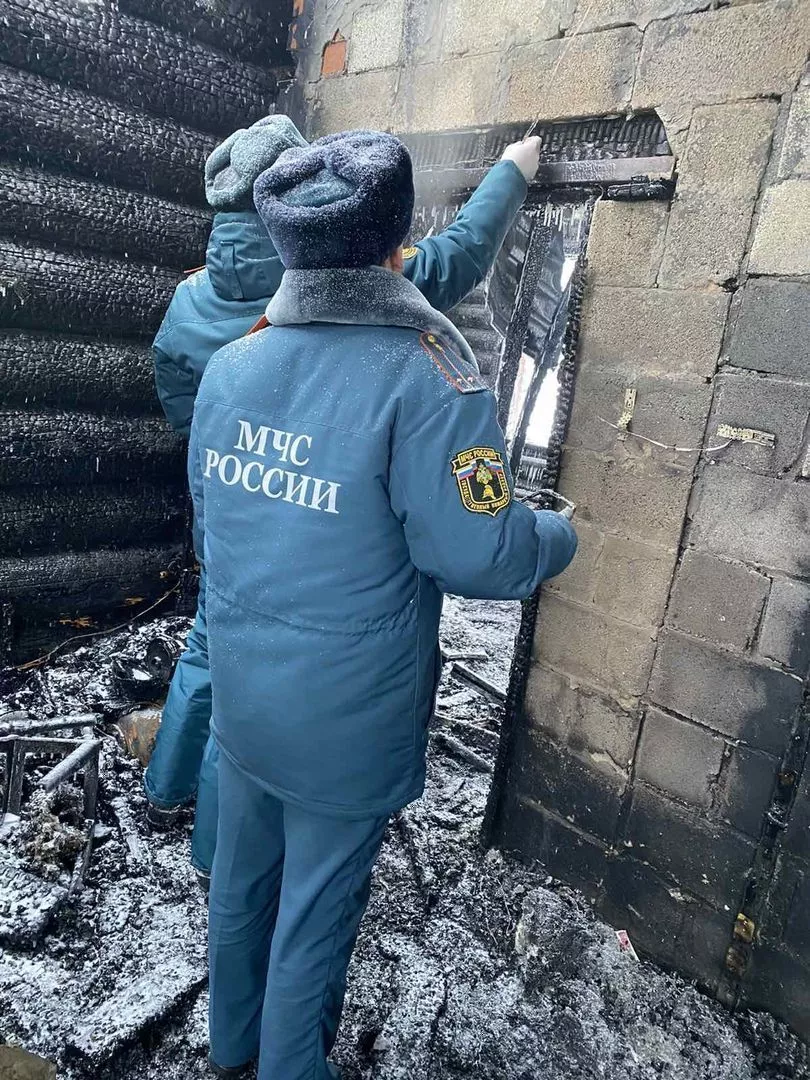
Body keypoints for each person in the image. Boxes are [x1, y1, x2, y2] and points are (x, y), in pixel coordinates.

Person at [189, 129, 577, 1079]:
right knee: (315, 919)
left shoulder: (231, 367)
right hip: (346, 717)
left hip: (244, 696)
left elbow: (213, 526)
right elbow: (483, 556)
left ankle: (230, 1049)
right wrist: (558, 534)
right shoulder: (426, 375)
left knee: (240, 890)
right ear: (399, 242)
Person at [144, 114, 548, 886]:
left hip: (232, 497)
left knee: (215, 643)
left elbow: (174, 388)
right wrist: (513, 172)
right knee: (282, 672)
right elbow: (461, 252)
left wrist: (225, 451)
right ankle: (255, 840)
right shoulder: (347, 279)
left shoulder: (192, 297)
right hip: (325, 517)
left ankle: (167, 794)